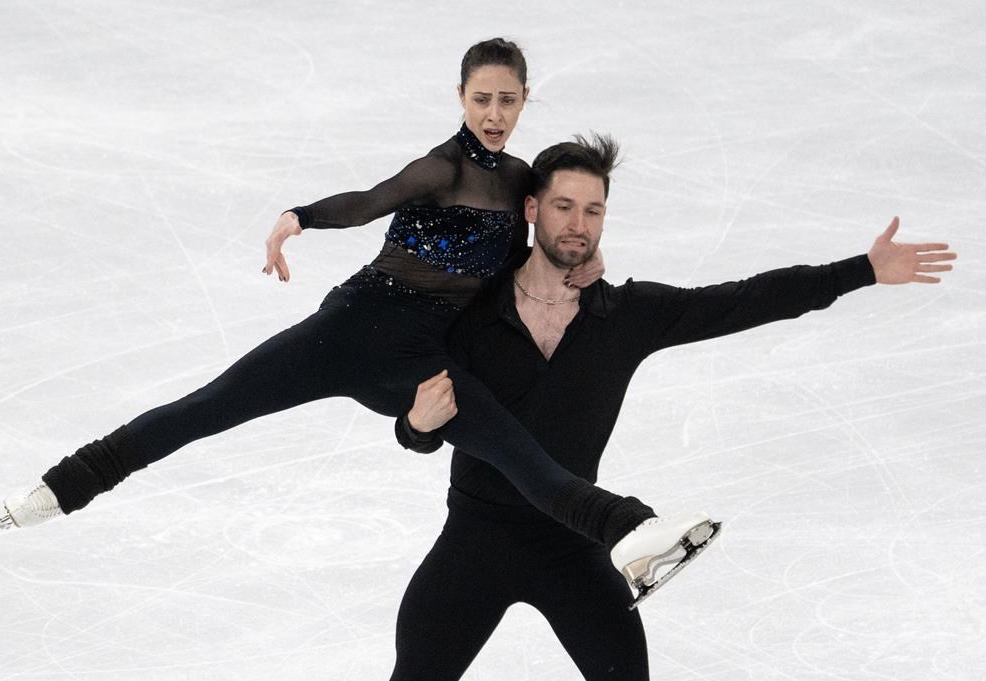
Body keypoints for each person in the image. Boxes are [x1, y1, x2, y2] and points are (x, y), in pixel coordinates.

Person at [0, 39, 720, 604]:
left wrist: (586, 264)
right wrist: (299, 216)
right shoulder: (442, 167)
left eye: (507, 100)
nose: (493, 115)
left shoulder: (523, 179)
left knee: (517, 451)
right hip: (347, 332)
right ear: (461, 98)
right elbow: (371, 200)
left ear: (526, 99)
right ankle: (61, 487)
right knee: (207, 408)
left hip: (421, 358)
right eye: (481, 99)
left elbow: (549, 232)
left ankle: (632, 531)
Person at [388, 134, 956, 680]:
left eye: (594, 210)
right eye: (563, 206)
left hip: (574, 545)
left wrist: (863, 270)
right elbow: (417, 412)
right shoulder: (471, 307)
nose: (578, 225)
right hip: (473, 543)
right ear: (532, 208)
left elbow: (743, 300)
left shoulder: (626, 316)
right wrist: (414, 426)